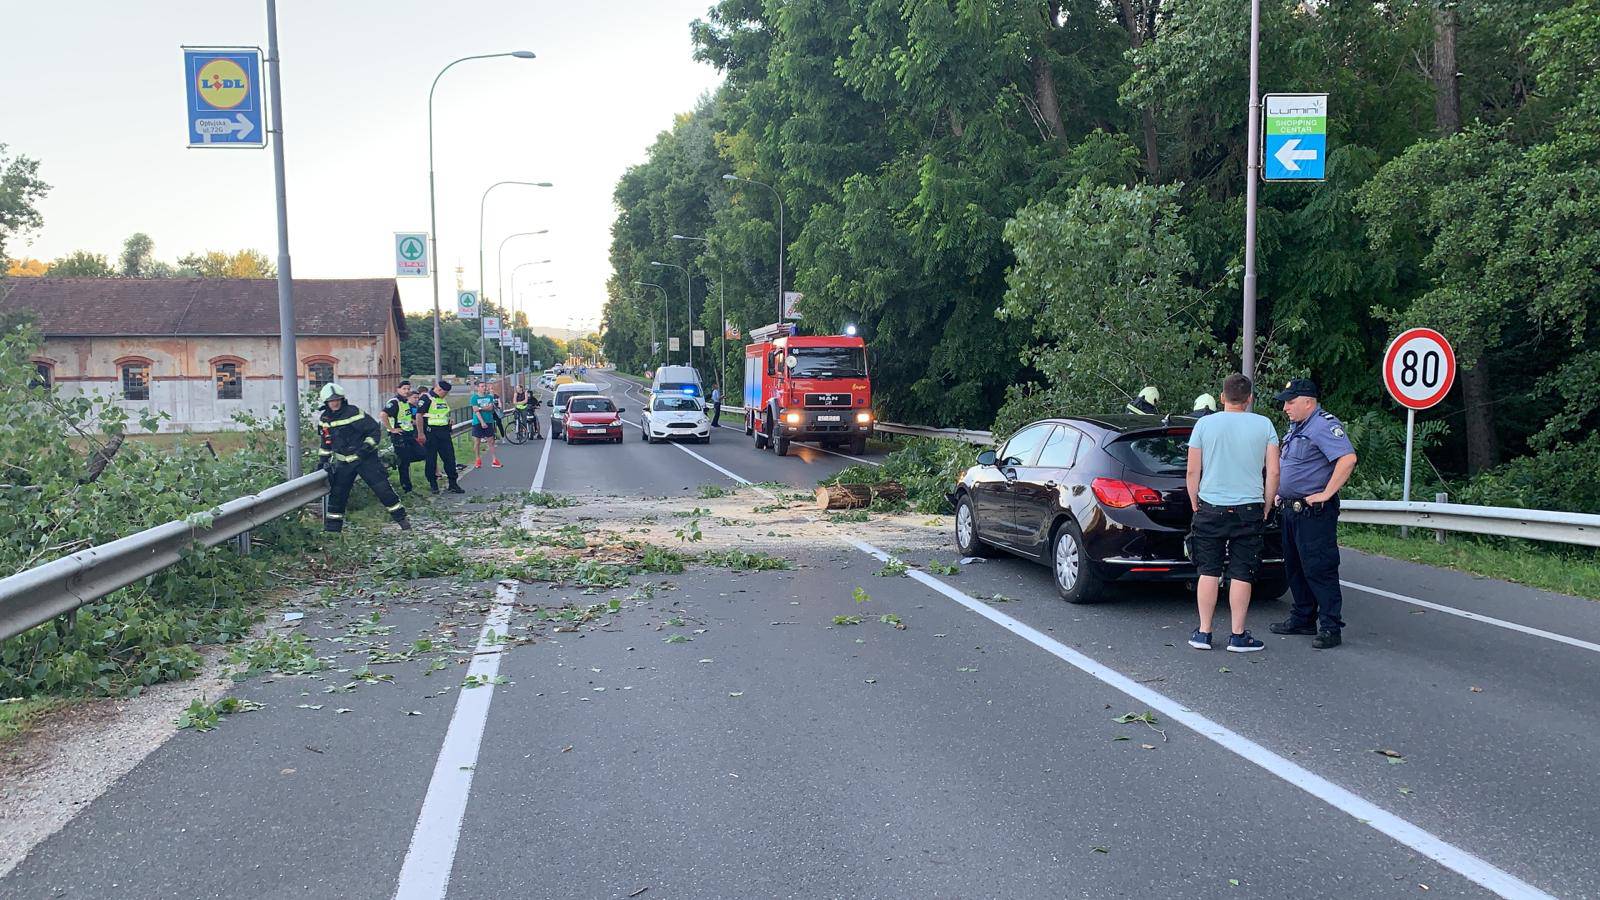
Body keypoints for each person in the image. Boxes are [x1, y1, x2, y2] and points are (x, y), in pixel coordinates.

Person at [1184, 373, 1279, 653]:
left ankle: (1204, 632)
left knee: (1209, 570)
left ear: (1222, 397)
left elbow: (1192, 470)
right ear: (1249, 398)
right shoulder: (1265, 425)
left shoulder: (1204, 424)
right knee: (1241, 571)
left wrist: (1194, 499)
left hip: (1210, 506)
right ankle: (1238, 635)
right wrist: (1267, 502)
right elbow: (1273, 470)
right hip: (1248, 507)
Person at [1269, 378, 1359, 649]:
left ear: (1308, 401)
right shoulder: (1297, 427)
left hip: (1313, 512)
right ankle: (1303, 618)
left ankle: (1331, 627)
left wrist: (1326, 493)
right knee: (1294, 567)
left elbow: (1347, 459)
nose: (1286, 407)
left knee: (1319, 568)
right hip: (1291, 509)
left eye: (1290, 402)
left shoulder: (1323, 425)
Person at [315, 383, 410, 532]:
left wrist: (365, 450)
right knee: (337, 497)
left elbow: (374, 431)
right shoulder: (324, 419)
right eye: (331, 400)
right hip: (343, 464)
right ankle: (332, 532)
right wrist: (322, 463)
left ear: (342, 399)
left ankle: (403, 522)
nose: (335, 402)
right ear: (326, 402)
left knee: (384, 491)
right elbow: (326, 443)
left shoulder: (354, 412)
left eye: (338, 399)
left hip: (365, 460)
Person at [380, 380, 425, 492]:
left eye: (408, 389)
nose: (407, 391)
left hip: (408, 434)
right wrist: (391, 429)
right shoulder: (394, 402)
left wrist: (418, 422)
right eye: (404, 389)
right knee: (404, 464)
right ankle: (407, 488)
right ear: (398, 389)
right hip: (399, 436)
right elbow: (383, 414)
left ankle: (398, 460)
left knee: (423, 453)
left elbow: (406, 418)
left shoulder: (405, 402)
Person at [423, 380, 465, 494]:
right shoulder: (426, 398)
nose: (445, 395)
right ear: (439, 389)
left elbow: (443, 414)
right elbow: (419, 415)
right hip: (431, 433)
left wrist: (449, 420)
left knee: (450, 458)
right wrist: (421, 434)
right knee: (431, 460)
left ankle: (453, 484)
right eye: (444, 392)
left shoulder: (442, 399)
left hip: (444, 432)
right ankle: (433, 484)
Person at [468, 381, 501, 469]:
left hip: (489, 421)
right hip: (478, 422)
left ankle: (494, 460)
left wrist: (480, 408)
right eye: (482, 386)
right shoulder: (474, 398)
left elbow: (490, 408)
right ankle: (478, 459)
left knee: (491, 441)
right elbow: (476, 411)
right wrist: (482, 422)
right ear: (477, 388)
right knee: (477, 442)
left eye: (485, 386)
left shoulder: (489, 397)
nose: (484, 388)